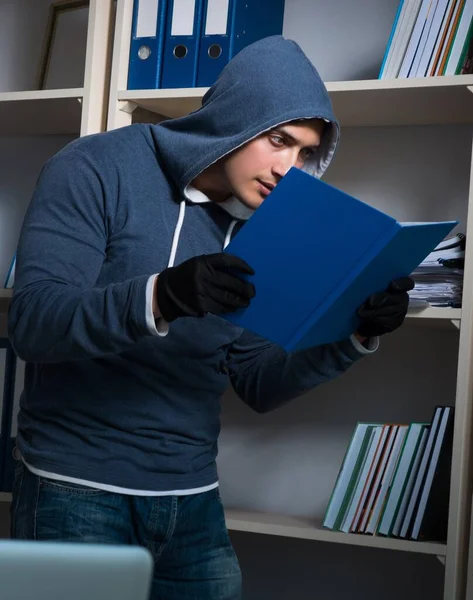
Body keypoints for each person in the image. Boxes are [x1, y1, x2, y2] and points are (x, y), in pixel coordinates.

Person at [8, 36, 413, 599]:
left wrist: (355, 335)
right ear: (236, 120)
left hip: (192, 495)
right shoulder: (95, 166)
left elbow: (256, 380)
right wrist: (163, 296)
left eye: (304, 154)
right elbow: (31, 323)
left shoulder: (266, 225)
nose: (286, 170)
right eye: (278, 141)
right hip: (75, 489)